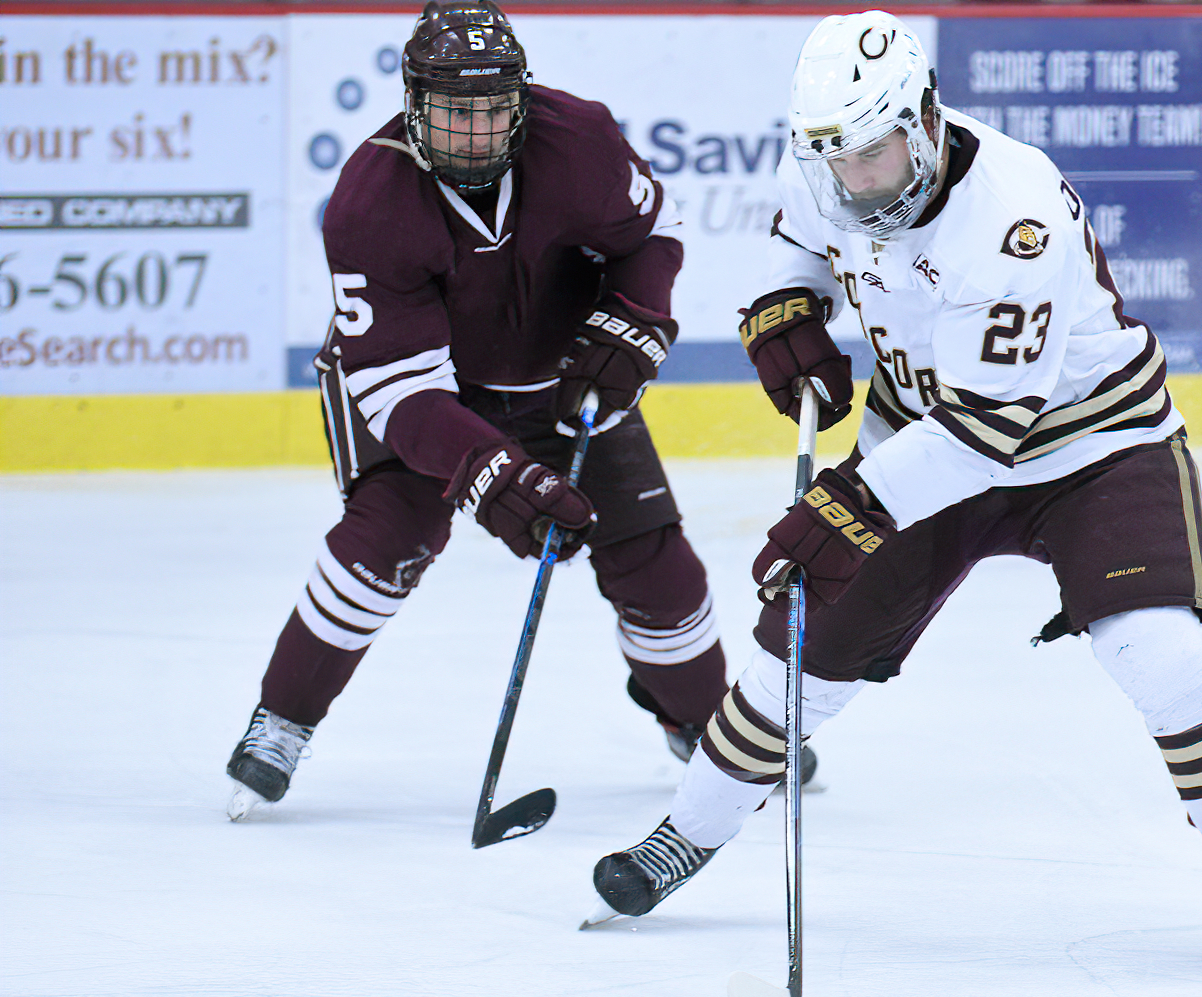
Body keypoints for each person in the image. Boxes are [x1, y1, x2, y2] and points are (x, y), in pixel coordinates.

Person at [591, 10, 1202, 961]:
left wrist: (852, 502)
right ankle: (681, 838)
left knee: (1160, 651)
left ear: (925, 120)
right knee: (798, 659)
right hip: (920, 436)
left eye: (875, 156)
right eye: (838, 162)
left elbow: (987, 433)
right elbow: (801, 240)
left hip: (1090, 446)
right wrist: (786, 309)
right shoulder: (827, 161)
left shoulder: (1013, 219)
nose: (857, 184)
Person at [223, 0, 787, 819]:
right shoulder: (369, 203)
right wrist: (492, 472)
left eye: (494, 112)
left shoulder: (580, 140)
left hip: (565, 376)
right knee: (386, 540)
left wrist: (636, 318)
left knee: (653, 561)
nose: (477, 135)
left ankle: (702, 723)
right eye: (455, 113)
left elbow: (652, 231)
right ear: (414, 105)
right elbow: (399, 389)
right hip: (424, 397)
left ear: (521, 102)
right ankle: (282, 719)